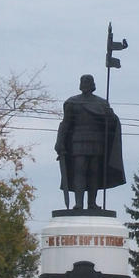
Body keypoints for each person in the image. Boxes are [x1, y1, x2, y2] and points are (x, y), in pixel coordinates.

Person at [55, 74, 125, 210]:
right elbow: (65, 124)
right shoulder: (72, 102)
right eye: (83, 81)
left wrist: (110, 115)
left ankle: (92, 203)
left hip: (97, 141)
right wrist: (60, 142)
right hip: (78, 141)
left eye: (88, 82)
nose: (85, 84)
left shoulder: (101, 103)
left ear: (92, 84)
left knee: (94, 172)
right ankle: (79, 203)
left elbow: (110, 125)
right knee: (79, 171)